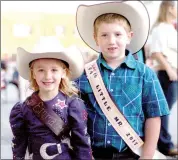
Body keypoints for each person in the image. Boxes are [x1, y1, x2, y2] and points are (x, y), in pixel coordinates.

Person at [75, 1, 170, 159]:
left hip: (132, 153)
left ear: (129, 37)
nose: (111, 41)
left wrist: (147, 156)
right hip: (93, 153)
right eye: (104, 35)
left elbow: (154, 116)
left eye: (118, 34)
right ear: (96, 39)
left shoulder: (145, 74)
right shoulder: (84, 73)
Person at [9, 37, 92, 160]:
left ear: (63, 72)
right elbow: (18, 148)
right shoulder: (22, 109)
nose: (48, 76)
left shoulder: (73, 105)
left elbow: (82, 147)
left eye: (54, 70)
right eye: (41, 70)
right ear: (33, 73)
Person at [148, 1, 178, 156]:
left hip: (173, 74)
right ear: (170, 9)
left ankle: (164, 143)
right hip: (168, 74)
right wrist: (169, 70)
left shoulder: (170, 28)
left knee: (166, 110)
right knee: (163, 110)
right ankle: (165, 145)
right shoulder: (160, 29)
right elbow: (156, 52)